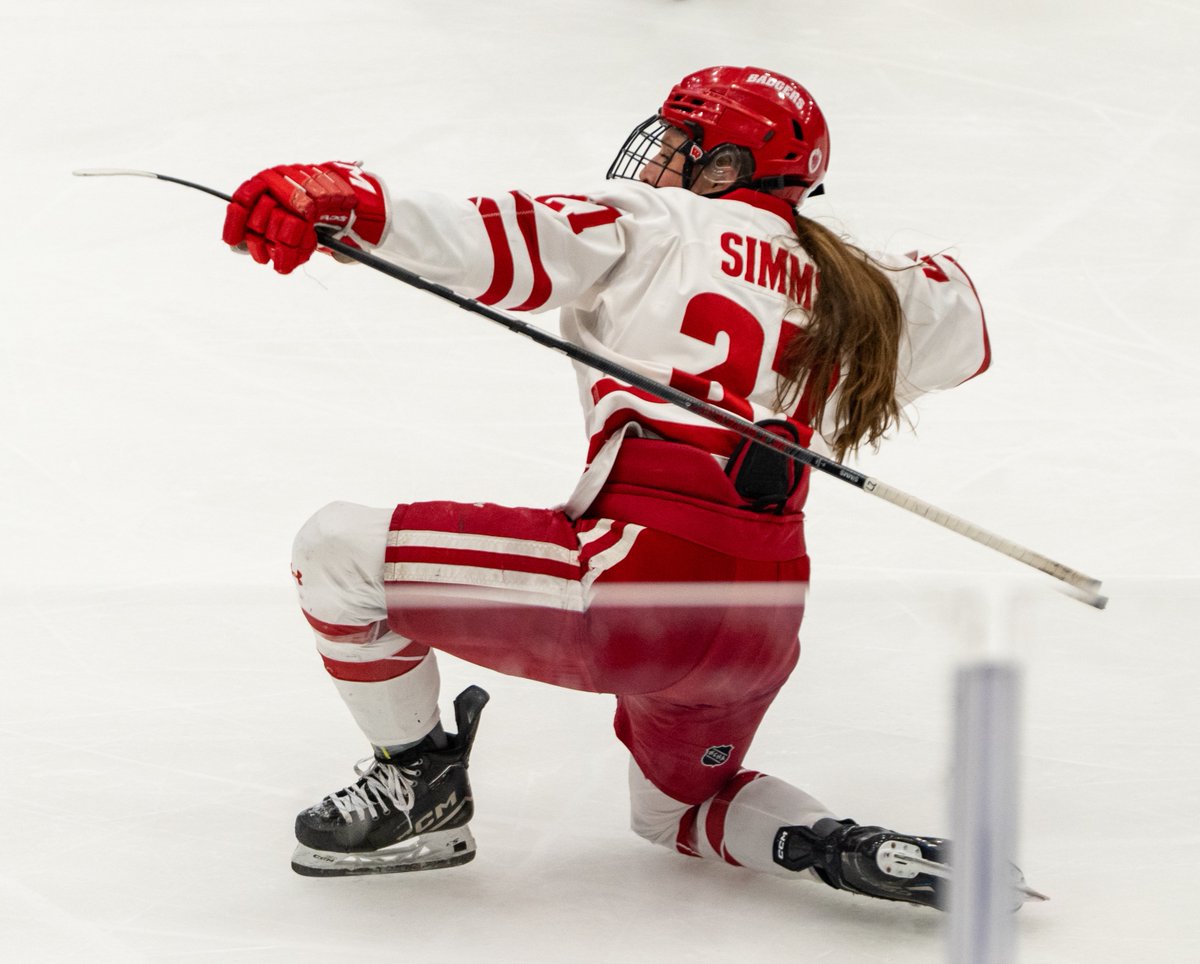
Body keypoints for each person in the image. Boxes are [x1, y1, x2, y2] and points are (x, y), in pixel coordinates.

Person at [222, 65, 1023, 908]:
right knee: (681, 809)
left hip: (638, 587)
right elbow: (962, 325)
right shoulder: (860, 291)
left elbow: (499, 241)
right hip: (762, 623)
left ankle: (420, 782)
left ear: (725, 168)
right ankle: (830, 846)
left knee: (337, 553)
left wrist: (350, 201)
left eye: (681, 143)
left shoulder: (661, 223)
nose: (659, 159)